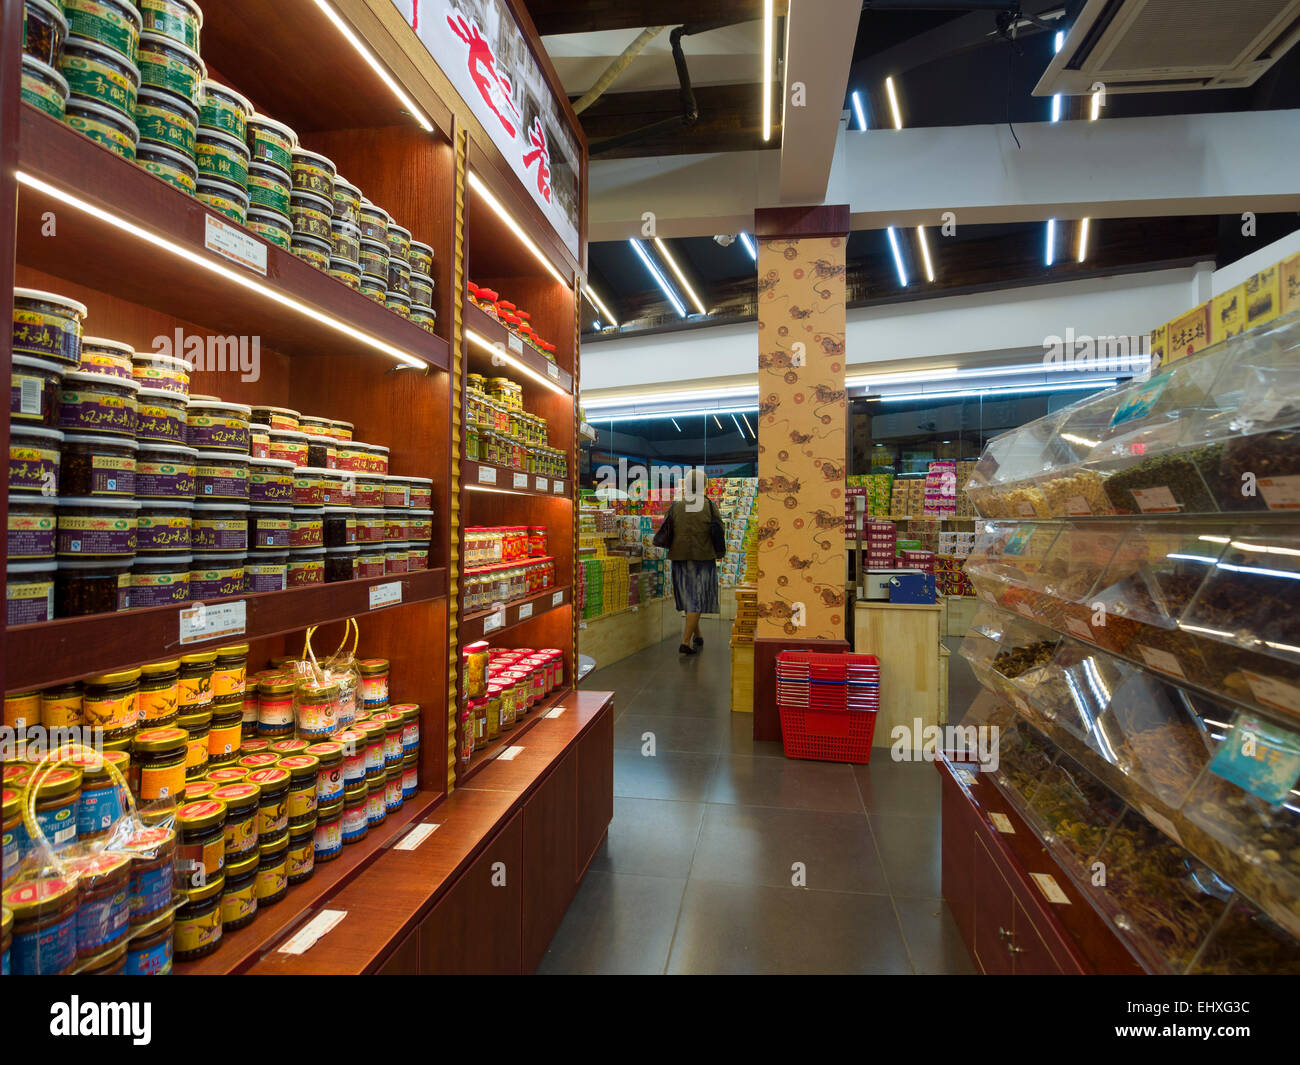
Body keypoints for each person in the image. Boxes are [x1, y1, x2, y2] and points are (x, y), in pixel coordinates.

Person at [665, 469, 722, 656]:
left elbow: (667, 529)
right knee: (697, 598)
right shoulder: (709, 506)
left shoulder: (676, 506)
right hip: (703, 557)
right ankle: (685, 642)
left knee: (690, 596)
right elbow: (719, 530)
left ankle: (697, 635)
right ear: (705, 485)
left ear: (686, 485)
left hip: (679, 557)